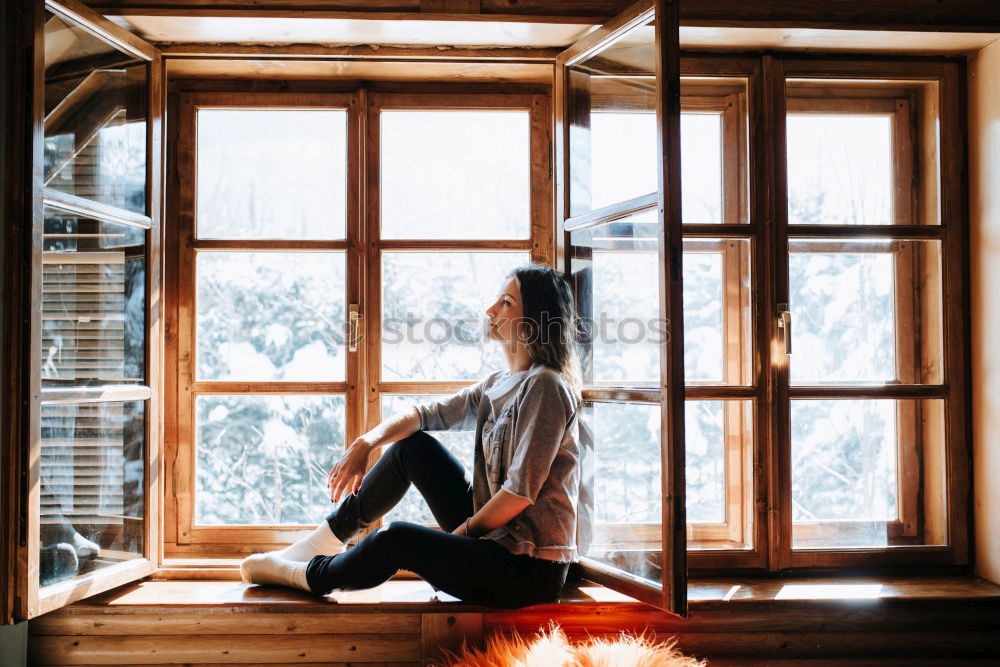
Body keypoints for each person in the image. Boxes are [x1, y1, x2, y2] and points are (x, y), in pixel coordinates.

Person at [240, 263, 583, 609]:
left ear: (536, 320)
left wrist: (457, 538)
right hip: (494, 540)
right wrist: (367, 442)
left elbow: (519, 494)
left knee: (397, 538)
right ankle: (324, 540)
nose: (490, 310)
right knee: (413, 447)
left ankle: (310, 576)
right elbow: (425, 415)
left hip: (528, 569)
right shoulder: (499, 384)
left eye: (506, 303)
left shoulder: (545, 386)